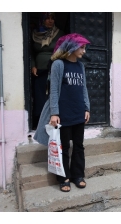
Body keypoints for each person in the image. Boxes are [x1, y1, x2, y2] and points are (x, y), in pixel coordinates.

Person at [33, 33, 91, 192]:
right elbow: (53, 91)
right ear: (72, 47)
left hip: (78, 112)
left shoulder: (80, 66)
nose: (84, 51)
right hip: (63, 114)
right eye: (82, 47)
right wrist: (54, 113)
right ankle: (64, 177)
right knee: (64, 146)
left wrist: (87, 108)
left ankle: (78, 175)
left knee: (79, 146)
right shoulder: (58, 64)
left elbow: (84, 88)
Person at [31, 12, 65, 129]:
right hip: (39, 71)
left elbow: (62, 50)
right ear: (42, 20)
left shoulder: (59, 33)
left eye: (52, 18)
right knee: (40, 96)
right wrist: (32, 65)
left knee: (54, 94)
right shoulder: (35, 34)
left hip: (53, 69)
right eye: (47, 18)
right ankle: (40, 123)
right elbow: (30, 52)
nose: (50, 21)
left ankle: (55, 121)